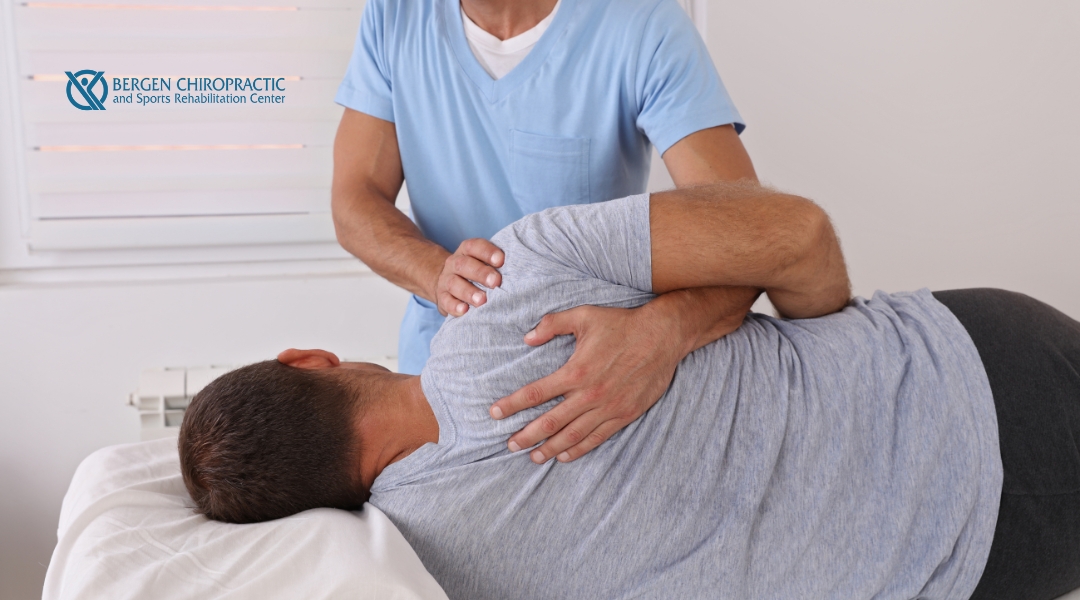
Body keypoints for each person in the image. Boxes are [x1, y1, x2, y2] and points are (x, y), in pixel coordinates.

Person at [181, 182, 1080, 600]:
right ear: (307, 362)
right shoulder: (510, 279)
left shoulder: (441, 581)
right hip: (980, 371)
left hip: (986, 555)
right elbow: (800, 238)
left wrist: (672, 328)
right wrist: (677, 323)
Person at [331, 0, 757, 464]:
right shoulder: (394, 14)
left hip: (590, 389)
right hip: (438, 386)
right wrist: (439, 275)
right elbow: (355, 200)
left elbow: (747, 228)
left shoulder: (641, 21)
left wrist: (662, 332)